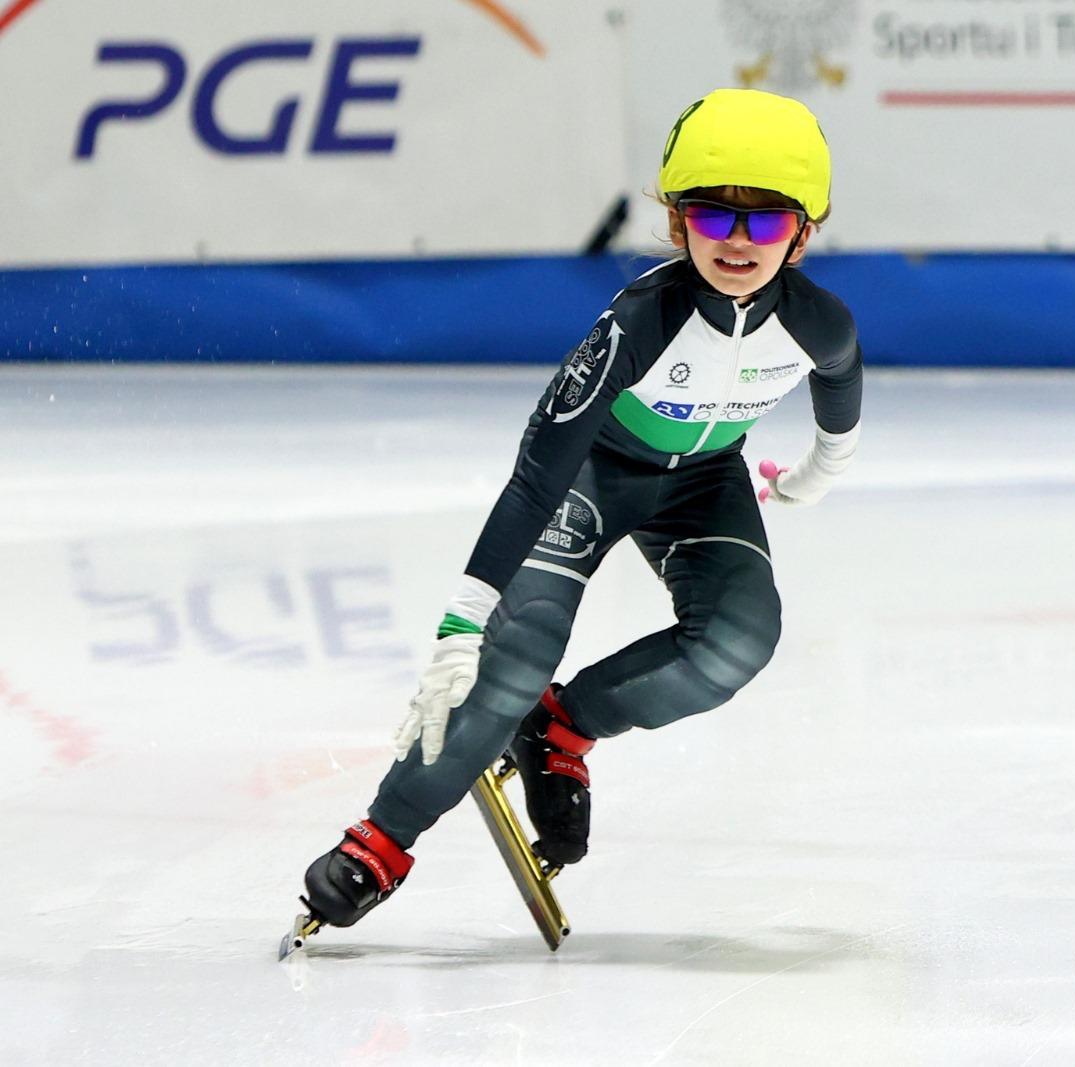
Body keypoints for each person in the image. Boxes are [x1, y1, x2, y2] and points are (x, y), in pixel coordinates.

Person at [298, 88, 864, 929]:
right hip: (594, 474)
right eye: (712, 218)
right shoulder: (641, 322)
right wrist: (462, 621)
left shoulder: (822, 321)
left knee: (740, 641)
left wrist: (823, 465)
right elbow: (537, 475)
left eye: (767, 222)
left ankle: (562, 727)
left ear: (804, 233)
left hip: (707, 479)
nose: (737, 244)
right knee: (510, 664)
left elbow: (841, 382)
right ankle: (384, 835)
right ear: (677, 224)